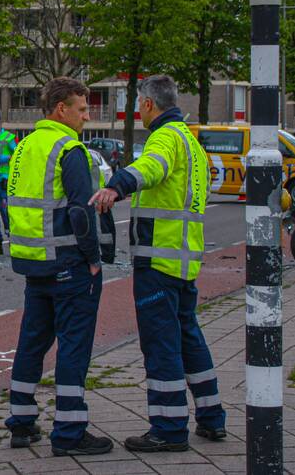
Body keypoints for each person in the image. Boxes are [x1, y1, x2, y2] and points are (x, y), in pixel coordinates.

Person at [90, 75, 226, 452]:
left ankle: (168, 428)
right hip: (185, 261)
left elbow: (152, 168)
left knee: (161, 345)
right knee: (189, 338)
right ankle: (212, 417)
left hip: (159, 260)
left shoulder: (164, 138)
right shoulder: (191, 142)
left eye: (139, 105)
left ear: (149, 105)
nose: (138, 111)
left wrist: (116, 185)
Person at [4, 77, 112, 457]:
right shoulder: (70, 149)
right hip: (69, 264)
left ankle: (20, 423)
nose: (86, 116)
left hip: (34, 264)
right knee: (73, 347)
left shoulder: (25, 147)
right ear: (60, 109)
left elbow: (10, 202)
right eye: (81, 109)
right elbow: (82, 212)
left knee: (31, 343)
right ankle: (69, 431)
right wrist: (94, 260)